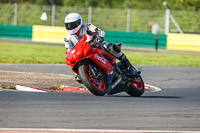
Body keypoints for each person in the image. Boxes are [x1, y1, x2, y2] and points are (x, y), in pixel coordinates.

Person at [64, 13, 137, 82]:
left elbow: (99, 32)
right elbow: (69, 50)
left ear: (78, 22)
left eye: (72, 25)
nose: (70, 27)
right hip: (83, 53)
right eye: (68, 25)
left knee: (110, 47)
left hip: (96, 46)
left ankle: (128, 66)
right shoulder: (67, 38)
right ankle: (93, 81)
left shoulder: (87, 26)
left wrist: (98, 38)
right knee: (78, 77)